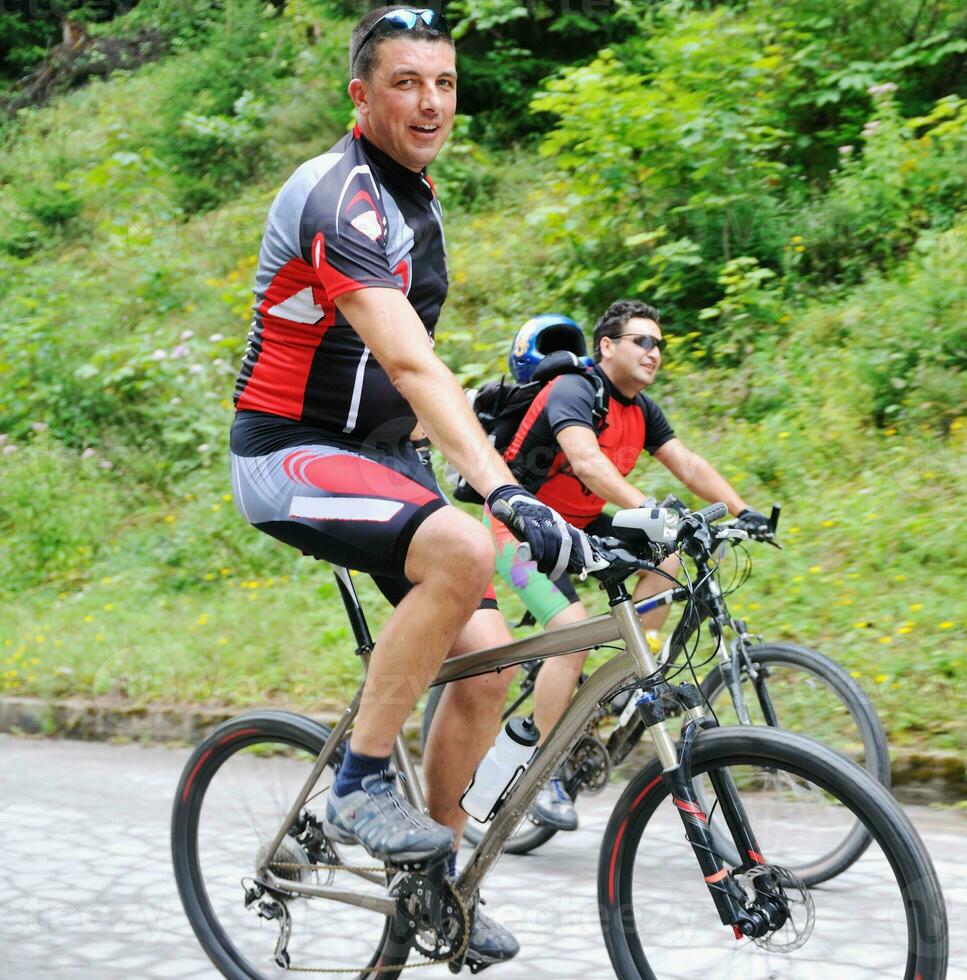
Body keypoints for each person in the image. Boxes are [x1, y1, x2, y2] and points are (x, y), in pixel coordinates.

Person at [227, 7, 589, 964]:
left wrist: (494, 462)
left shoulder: (415, 198)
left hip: (386, 459)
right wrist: (503, 492)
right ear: (361, 95)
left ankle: (432, 885)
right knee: (470, 548)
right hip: (289, 452)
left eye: (444, 84)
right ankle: (358, 782)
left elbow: (419, 379)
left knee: (496, 655)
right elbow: (407, 360)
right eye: (405, 82)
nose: (430, 102)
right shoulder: (338, 197)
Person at [481, 300, 774, 831]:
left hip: (582, 523)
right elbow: (589, 463)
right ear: (607, 346)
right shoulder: (574, 389)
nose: (654, 352)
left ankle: (632, 673)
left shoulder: (642, 409)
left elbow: (686, 463)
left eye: (659, 344)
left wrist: (741, 510)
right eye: (642, 340)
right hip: (518, 531)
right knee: (571, 635)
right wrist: (655, 510)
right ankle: (540, 773)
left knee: (666, 558)